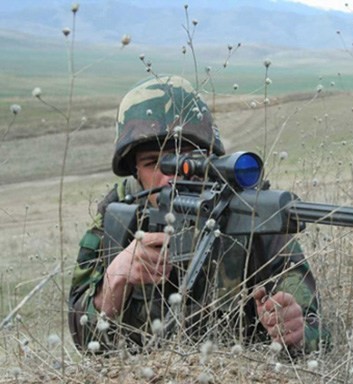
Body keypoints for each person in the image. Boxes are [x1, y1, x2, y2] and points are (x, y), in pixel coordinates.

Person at [68, 75, 331, 355]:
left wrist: (298, 330)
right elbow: (83, 340)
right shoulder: (120, 214)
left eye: (188, 160)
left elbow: (318, 332)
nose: (172, 176)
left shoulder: (249, 212)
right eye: (153, 163)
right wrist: (116, 279)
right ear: (135, 172)